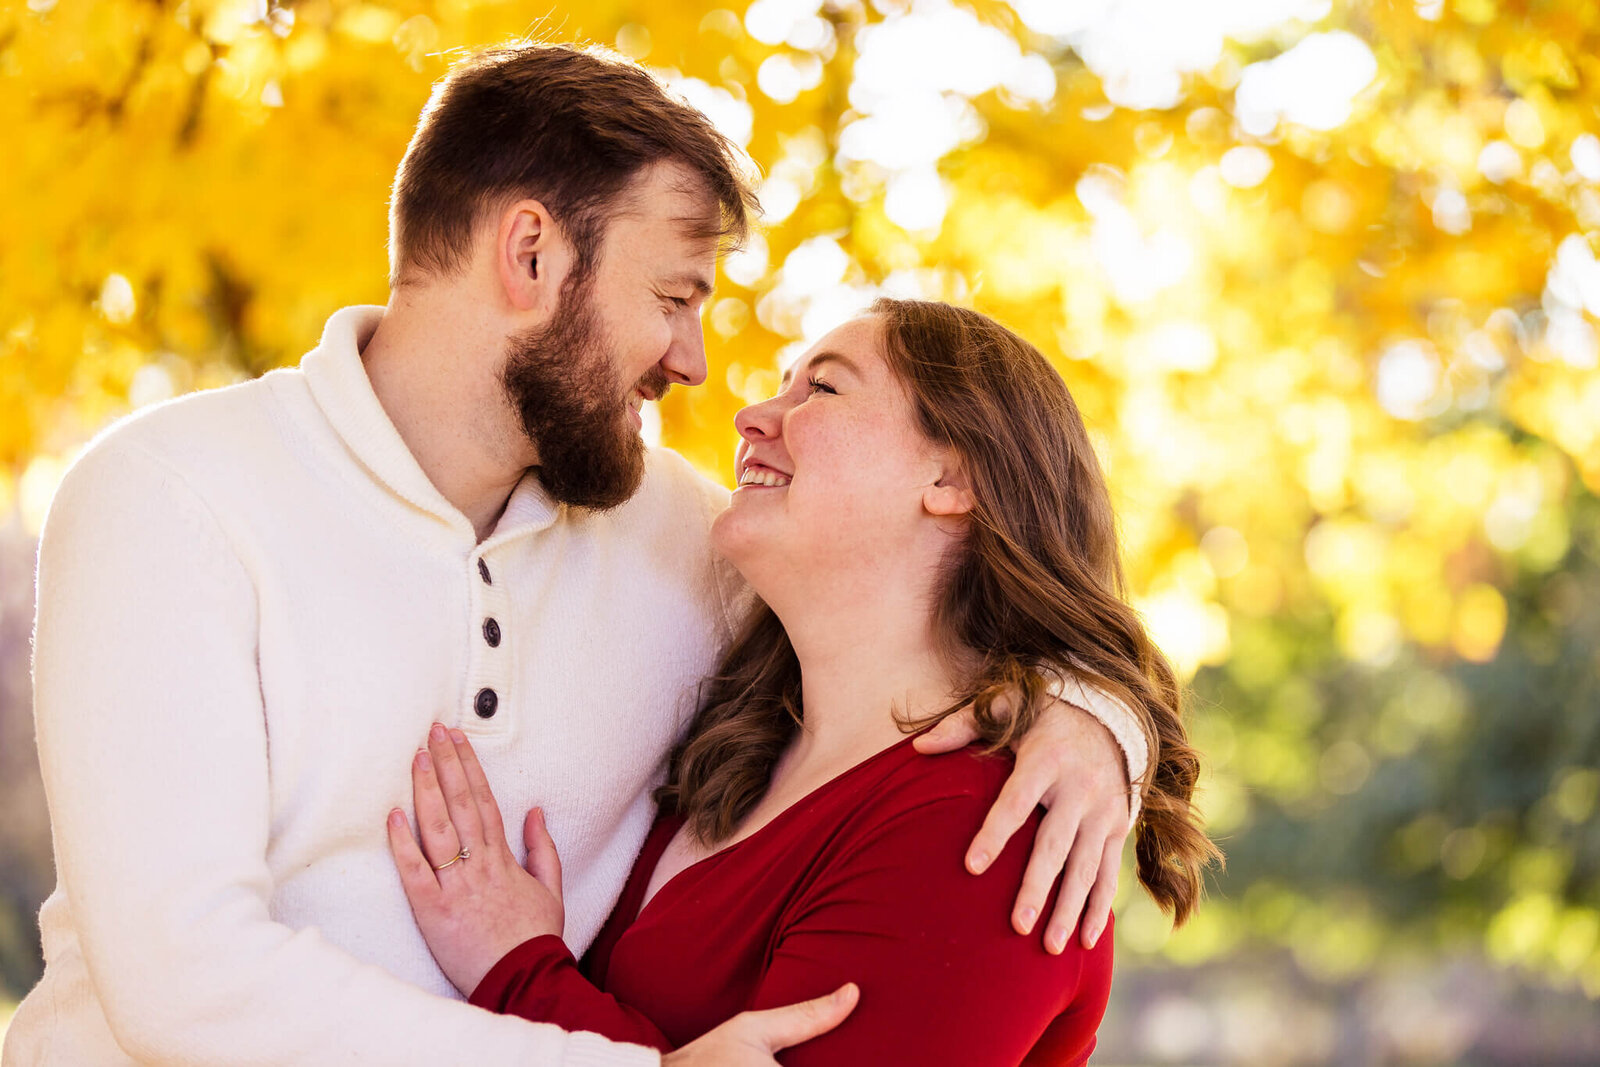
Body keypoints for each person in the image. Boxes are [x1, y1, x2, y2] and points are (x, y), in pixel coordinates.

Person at [7, 43, 1144, 1067]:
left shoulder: (691, 544)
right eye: (671, 296)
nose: (697, 363)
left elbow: (923, 608)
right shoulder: (173, 495)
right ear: (532, 253)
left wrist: (1095, 718)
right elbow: (185, 979)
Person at [383, 301, 1219, 1065]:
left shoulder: (990, 831)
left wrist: (518, 969)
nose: (751, 416)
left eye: (820, 387)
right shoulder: (732, 742)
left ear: (953, 480)